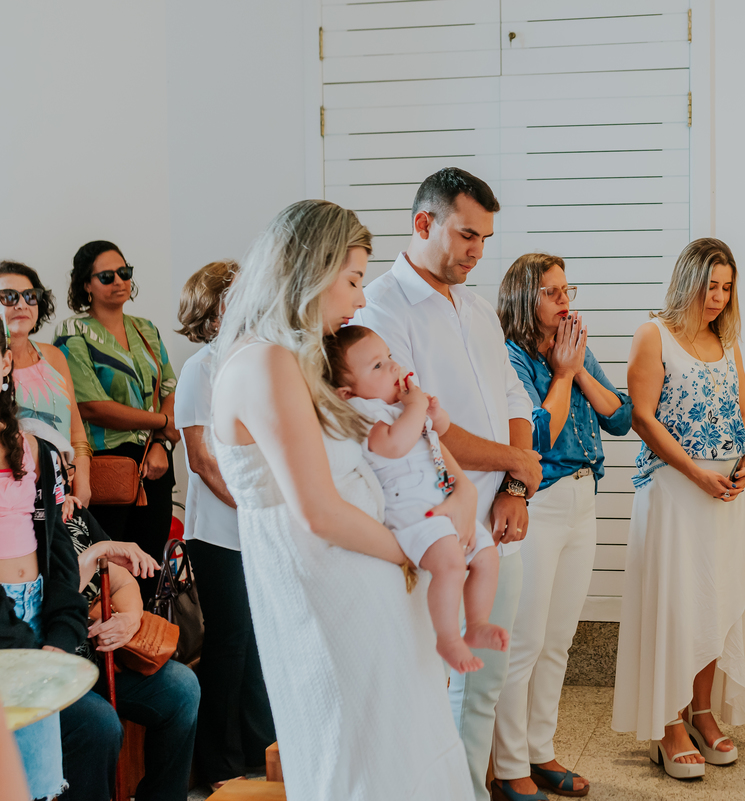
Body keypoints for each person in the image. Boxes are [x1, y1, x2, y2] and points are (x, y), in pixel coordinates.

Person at [209, 199, 475, 799]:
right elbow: (318, 511)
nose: (360, 299)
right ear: (311, 269)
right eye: (353, 279)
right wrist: (412, 550)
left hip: (369, 573)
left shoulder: (297, 360)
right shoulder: (267, 362)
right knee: (365, 758)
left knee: (401, 745)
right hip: (333, 587)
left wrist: (453, 498)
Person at [353, 167, 541, 801]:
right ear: (424, 223)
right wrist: (515, 464)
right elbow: (424, 424)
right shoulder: (382, 307)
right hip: (435, 523)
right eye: (466, 235)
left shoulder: (479, 307)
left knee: (484, 678)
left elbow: (515, 397)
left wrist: (516, 487)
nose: (477, 252)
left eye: (485, 238)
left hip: (500, 519)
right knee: (434, 682)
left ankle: (471, 790)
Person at [612, 238, 745, 780]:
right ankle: (670, 722)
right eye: (710, 285)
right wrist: (697, 472)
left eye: (726, 287)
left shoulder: (727, 342)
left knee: (714, 603)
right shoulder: (653, 335)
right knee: (677, 603)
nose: (718, 297)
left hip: (723, 497)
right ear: (688, 281)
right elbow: (644, 419)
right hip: (676, 492)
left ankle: (703, 711)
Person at [492, 254, 632, 799]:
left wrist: (575, 367)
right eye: (553, 293)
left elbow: (618, 418)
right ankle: (509, 767)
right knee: (524, 641)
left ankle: (539, 750)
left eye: (566, 290)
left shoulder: (574, 347)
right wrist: (564, 373)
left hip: (582, 498)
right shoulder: (511, 357)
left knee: (558, 640)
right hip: (537, 502)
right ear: (527, 300)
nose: (565, 301)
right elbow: (538, 434)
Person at [325, 325, 507, 673]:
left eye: (389, 358)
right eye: (377, 366)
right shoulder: (364, 413)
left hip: (440, 501)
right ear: (346, 393)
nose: (393, 367)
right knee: (451, 565)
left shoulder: (398, 407)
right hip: (412, 509)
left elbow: (436, 434)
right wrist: (415, 408)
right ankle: (448, 638)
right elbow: (393, 445)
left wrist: (434, 416)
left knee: (486, 556)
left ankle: (477, 621)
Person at [174, 260, 276, 789]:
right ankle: (219, 765)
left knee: (260, 643)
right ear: (211, 310)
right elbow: (203, 461)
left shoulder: (255, 360)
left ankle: (262, 754)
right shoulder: (200, 368)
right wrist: (256, 506)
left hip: (260, 526)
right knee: (230, 644)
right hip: (218, 531)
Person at [54, 241, 179, 601]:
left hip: (152, 465)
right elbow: (91, 405)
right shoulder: (72, 333)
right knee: (110, 573)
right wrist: (163, 423)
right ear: (85, 285)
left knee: (149, 567)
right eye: (107, 276)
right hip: (105, 468)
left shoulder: (147, 329)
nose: (119, 281)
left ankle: (146, 651)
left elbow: (170, 387)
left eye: (124, 273)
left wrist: (161, 443)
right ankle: (110, 653)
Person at [0, 319, 89, 801]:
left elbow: (59, 560)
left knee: (41, 783)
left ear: (5, 362)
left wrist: (60, 635)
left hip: (38, 620)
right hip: (3, 629)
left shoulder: (39, 453)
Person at [64, 507, 200, 801]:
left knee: (182, 688)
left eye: (66, 471)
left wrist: (129, 618)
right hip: (58, 675)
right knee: (99, 723)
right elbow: (54, 600)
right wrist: (95, 553)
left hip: (102, 659)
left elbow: (123, 581)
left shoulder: (78, 519)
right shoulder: (21, 531)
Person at [0, 261, 91, 504]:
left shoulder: (53, 356)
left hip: (64, 496)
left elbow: (77, 432)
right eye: (8, 297)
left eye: (30, 296)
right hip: (11, 497)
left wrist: (82, 485)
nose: (21, 304)